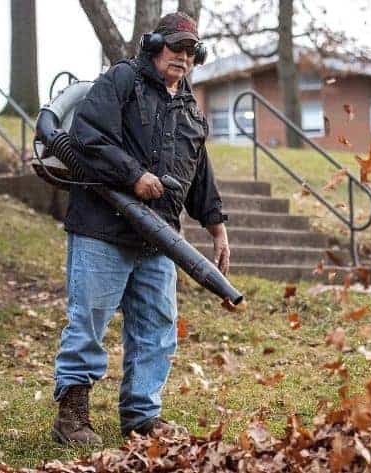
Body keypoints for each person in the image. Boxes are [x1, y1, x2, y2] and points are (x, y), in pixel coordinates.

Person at [51, 12, 230, 446]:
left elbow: (198, 170)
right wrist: (132, 176)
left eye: (191, 51)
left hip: (159, 237)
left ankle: (142, 416)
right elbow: (86, 136)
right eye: (175, 47)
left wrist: (216, 225)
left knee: (156, 328)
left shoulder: (188, 106)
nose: (183, 58)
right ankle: (71, 416)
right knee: (89, 321)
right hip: (103, 228)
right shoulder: (121, 81)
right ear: (154, 45)